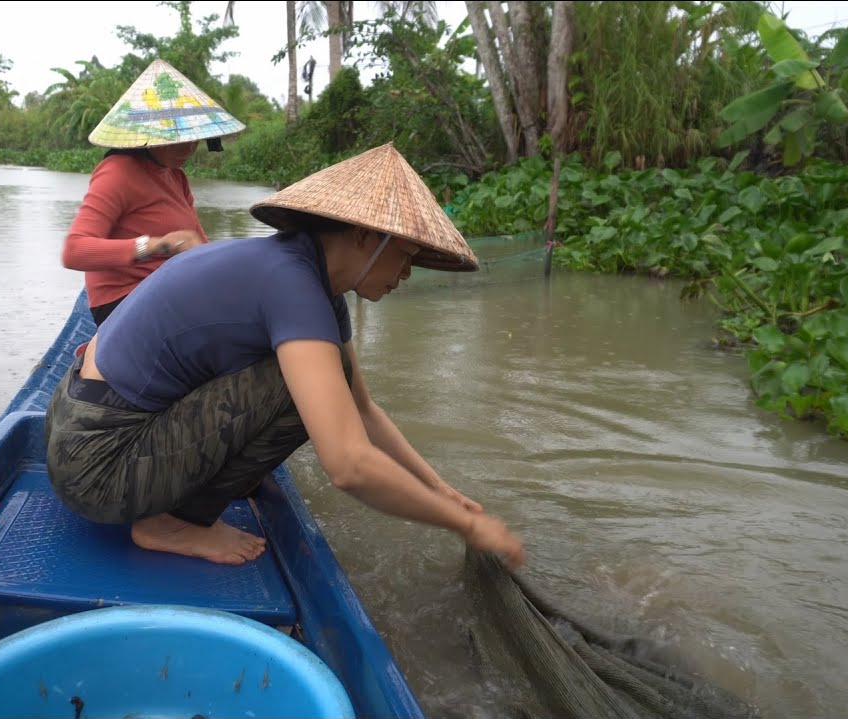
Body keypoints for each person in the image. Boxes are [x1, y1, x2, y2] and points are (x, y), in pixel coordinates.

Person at [44, 143, 527, 571]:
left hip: (78, 423)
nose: (407, 273)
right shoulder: (291, 285)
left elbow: (363, 410)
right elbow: (349, 464)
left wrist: (442, 492)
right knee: (306, 389)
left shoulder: (301, 276)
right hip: (98, 467)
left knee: (327, 385)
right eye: (405, 254)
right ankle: (171, 524)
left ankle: (176, 503)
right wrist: (465, 527)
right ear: (363, 237)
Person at [61, 59, 246, 325]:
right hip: (123, 303)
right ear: (149, 134)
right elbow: (74, 251)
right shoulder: (117, 172)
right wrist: (156, 246)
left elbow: (199, 244)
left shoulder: (175, 176)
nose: (188, 148)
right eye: (176, 138)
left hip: (169, 291)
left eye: (193, 137)